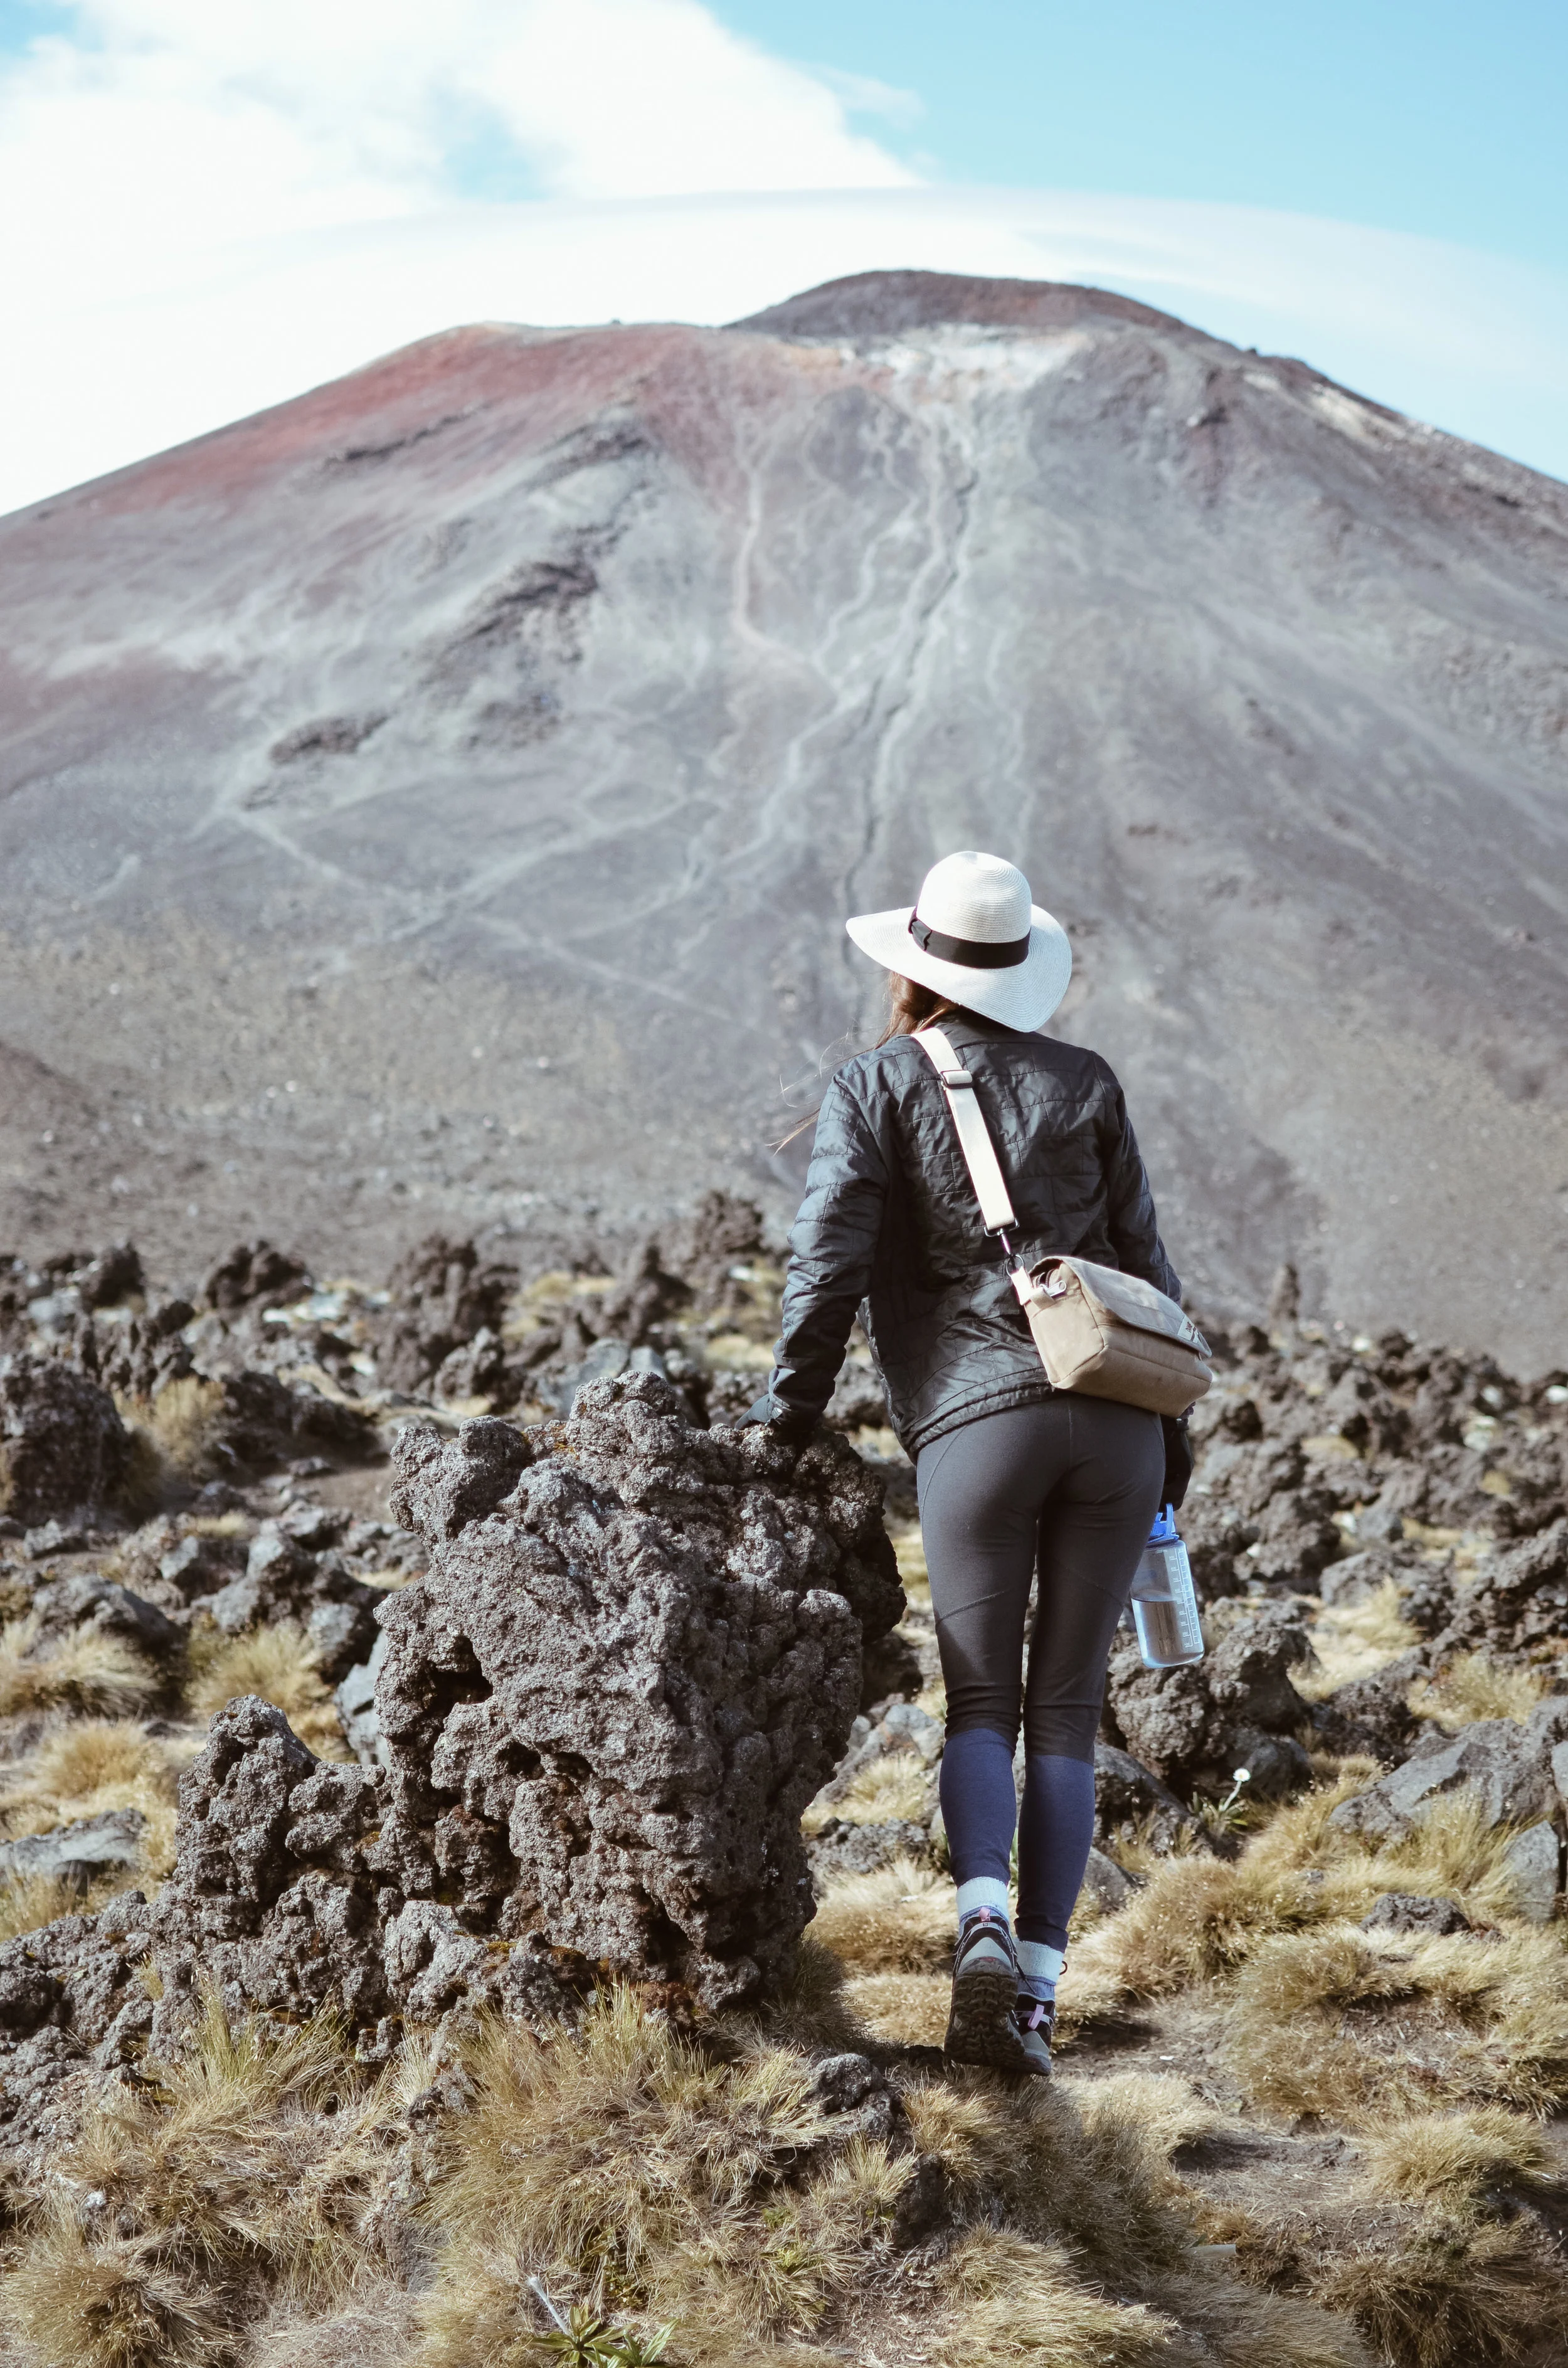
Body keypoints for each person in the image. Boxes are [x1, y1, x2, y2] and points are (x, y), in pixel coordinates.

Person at [744, 851, 1191, 2076]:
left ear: (912, 967)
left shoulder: (876, 1086)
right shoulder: (1087, 1082)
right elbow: (1149, 1279)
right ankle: (1036, 2007)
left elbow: (825, 1268)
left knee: (981, 1703)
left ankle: (979, 1921)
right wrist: (1172, 1456)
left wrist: (780, 1424)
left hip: (974, 1429)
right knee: (1066, 1712)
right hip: (1117, 1428)